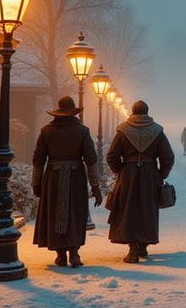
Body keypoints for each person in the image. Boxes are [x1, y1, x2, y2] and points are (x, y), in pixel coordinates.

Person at [31, 96, 102, 268]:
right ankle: (74, 253)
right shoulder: (82, 131)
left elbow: (38, 160)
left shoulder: (46, 131)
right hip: (75, 177)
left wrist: (36, 183)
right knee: (75, 213)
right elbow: (91, 160)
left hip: (53, 178)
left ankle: (60, 255)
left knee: (55, 213)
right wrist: (96, 186)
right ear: (73, 112)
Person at [106, 100, 175, 263]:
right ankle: (143, 244)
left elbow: (111, 156)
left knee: (129, 210)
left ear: (132, 111)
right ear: (147, 112)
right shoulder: (157, 131)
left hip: (128, 175)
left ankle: (133, 249)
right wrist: (160, 174)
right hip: (150, 175)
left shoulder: (123, 131)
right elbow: (168, 157)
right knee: (147, 209)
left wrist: (120, 171)